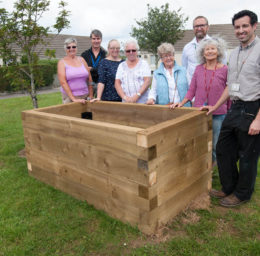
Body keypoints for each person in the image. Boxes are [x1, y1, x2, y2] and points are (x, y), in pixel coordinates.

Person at [202, 10, 260, 207]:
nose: (241, 30)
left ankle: (242, 194)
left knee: (247, 155)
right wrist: (215, 106)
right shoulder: (234, 53)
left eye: (245, 26)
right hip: (235, 106)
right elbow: (230, 85)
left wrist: (258, 119)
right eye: (237, 27)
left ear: (254, 26)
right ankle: (229, 187)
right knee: (223, 148)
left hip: (253, 107)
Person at [171, 36, 229, 166]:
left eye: (213, 49)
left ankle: (212, 169)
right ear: (203, 53)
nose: (210, 51)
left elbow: (228, 92)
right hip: (199, 112)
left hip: (218, 113)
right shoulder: (198, 69)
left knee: (215, 144)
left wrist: (228, 110)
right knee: (200, 142)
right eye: (207, 49)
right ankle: (201, 168)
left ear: (218, 51)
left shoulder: (224, 69)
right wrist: (181, 103)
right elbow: (192, 89)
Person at [146, 43, 191, 107]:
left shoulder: (184, 70)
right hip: (165, 109)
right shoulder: (157, 73)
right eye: (165, 56)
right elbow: (153, 90)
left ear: (174, 56)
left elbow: (191, 89)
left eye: (170, 55)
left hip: (183, 107)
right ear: (161, 59)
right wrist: (151, 99)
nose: (168, 58)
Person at [58, 38, 93, 104]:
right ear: (65, 49)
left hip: (85, 96)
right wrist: (73, 99)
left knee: (86, 114)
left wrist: (91, 95)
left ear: (76, 48)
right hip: (70, 98)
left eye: (74, 47)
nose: (71, 49)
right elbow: (63, 82)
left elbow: (89, 78)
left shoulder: (82, 60)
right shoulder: (61, 62)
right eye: (68, 47)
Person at [182, 16, 210, 85]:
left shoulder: (216, 45)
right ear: (193, 29)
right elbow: (184, 68)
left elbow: (222, 67)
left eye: (202, 25)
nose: (199, 28)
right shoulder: (187, 48)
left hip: (211, 88)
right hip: (193, 90)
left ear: (207, 27)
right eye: (196, 26)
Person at [81, 29, 106, 95]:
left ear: (101, 40)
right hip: (88, 84)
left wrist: (92, 69)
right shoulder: (84, 55)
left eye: (98, 39)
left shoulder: (105, 55)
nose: (96, 41)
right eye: (94, 39)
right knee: (88, 104)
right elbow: (82, 71)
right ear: (91, 40)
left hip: (102, 84)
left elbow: (105, 71)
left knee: (100, 104)